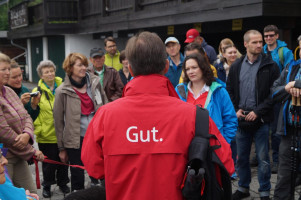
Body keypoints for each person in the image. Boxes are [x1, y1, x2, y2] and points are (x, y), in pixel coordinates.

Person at [81, 31, 234, 200]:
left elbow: (95, 168)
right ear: (166, 66)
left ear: (130, 68)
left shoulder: (104, 116)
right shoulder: (196, 116)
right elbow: (226, 164)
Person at [227, 30, 280, 200]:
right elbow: (229, 91)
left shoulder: (270, 65)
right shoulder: (236, 66)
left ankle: (264, 191)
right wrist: (235, 110)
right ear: (245, 44)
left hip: (262, 120)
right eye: (255, 42)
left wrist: (258, 112)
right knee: (242, 158)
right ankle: (243, 188)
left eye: (260, 42)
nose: (259, 45)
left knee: (263, 159)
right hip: (241, 119)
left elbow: (275, 94)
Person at [53, 53, 107, 192]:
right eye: (79, 65)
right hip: (75, 139)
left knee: (101, 171)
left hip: (97, 136)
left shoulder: (95, 83)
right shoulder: (61, 91)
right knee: (77, 175)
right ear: (70, 68)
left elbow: (106, 106)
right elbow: (58, 122)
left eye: (84, 64)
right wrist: (61, 148)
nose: (84, 68)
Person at [0, 53, 44, 194]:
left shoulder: (9, 91)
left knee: (31, 195)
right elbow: (3, 130)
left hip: (19, 155)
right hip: (4, 159)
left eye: (9, 69)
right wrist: (31, 151)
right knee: (8, 196)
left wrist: (27, 134)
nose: (8, 72)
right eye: (4, 69)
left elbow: (26, 116)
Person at [175, 53, 237, 144]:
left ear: (203, 67)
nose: (190, 71)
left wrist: (223, 143)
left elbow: (230, 120)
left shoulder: (219, 91)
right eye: (187, 69)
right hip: (185, 146)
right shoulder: (179, 90)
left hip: (213, 148)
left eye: (194, 67)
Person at [32, 60, 70, 198]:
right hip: (46, 134)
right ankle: (47, 185)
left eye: (51, 71)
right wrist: (40, 130)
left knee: (64, 160)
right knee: (48, 163)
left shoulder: (64, 85)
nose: (50, 74)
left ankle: (63, 183)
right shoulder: (36, 91)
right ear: (41, 76)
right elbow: (34, 111)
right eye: (46, 72)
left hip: (63, 132)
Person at [272, 35, 301, 200]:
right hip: (289, 131)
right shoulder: (291, 66)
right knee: (284, 175)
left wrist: (297, 84)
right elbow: (274, 91)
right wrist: (288, 87)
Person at [263, 24, 294, 173]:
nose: (268, 38)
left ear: (276, 36)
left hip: (278, 96)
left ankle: (276, 160)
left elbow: (290, 74)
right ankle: (260, 156)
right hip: (263, 95)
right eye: (266, 36)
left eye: (271, 35)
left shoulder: (285, 52)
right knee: (262, 128)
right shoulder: (261, 50)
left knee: (276, 131)